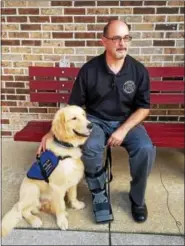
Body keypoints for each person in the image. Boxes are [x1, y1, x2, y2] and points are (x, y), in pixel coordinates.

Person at [37, 20, 156, 224]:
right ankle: (99, 192)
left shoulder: (138, 70)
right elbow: (73, 106)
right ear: (104, 41)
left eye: (126, 38)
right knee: (91, 147)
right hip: (95, 120)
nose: (122, 43)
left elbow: (144, 107)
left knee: (145, 148)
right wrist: (52, 133)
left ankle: (137, 198)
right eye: (116, 38)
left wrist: (123, 130)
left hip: (128, 122)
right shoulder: (90, 70)